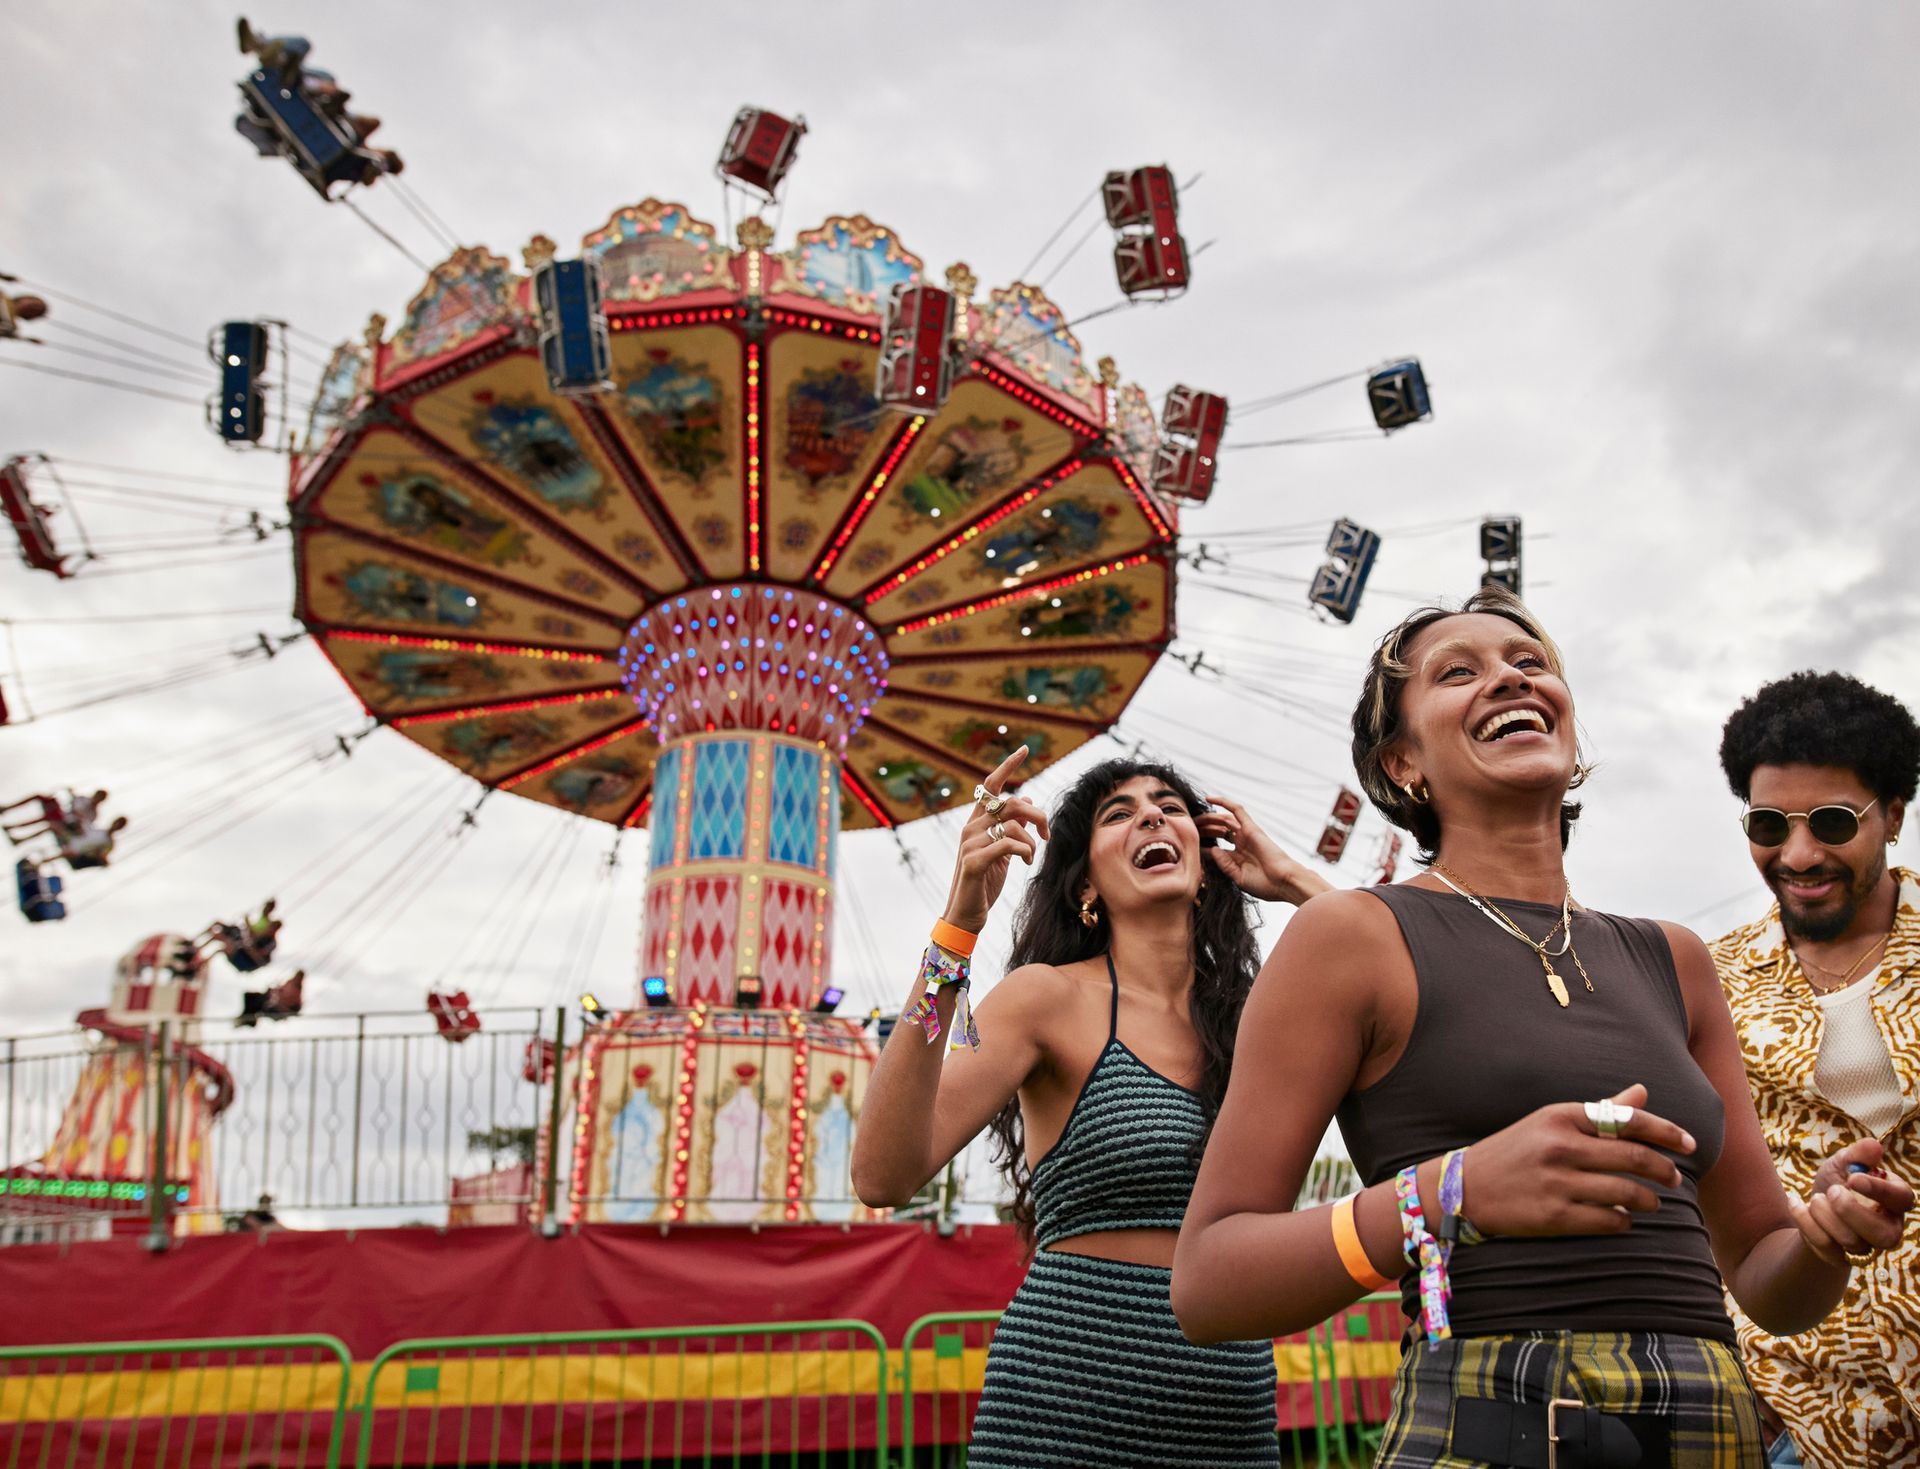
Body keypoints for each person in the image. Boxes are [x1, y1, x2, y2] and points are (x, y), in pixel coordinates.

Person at [1171, 587, 1912, 1467]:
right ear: (1403, 762)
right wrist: (1449, 1194)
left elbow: (1764, 1275)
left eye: (1530, 664)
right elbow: (1211, 1282)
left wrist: (1824, 1237)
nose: (1507, 680)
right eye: (1459, 672)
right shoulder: (1350, 935)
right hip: (1495, 1415)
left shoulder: (1674, 958)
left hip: (1715, 1426)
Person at [852, 746, 1329, 1467]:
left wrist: (1297, 882)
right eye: (1119, 812)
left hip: (1229, 1408)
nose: (1151, 816)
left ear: (1207, 863)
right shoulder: (1045, 997)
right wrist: (956, 927)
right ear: (1086, 883)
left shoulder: (1259, 1019)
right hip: (1064, 1401)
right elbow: (882, 1173)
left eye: (1170, 807)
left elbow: (1416, 1008)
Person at [1711, 671, 1920, 1466]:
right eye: (1768, 824)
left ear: (1893, 815)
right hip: (1793, 1422)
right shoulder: (1711, 981)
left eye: (1832, 822)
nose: (1798, 854)